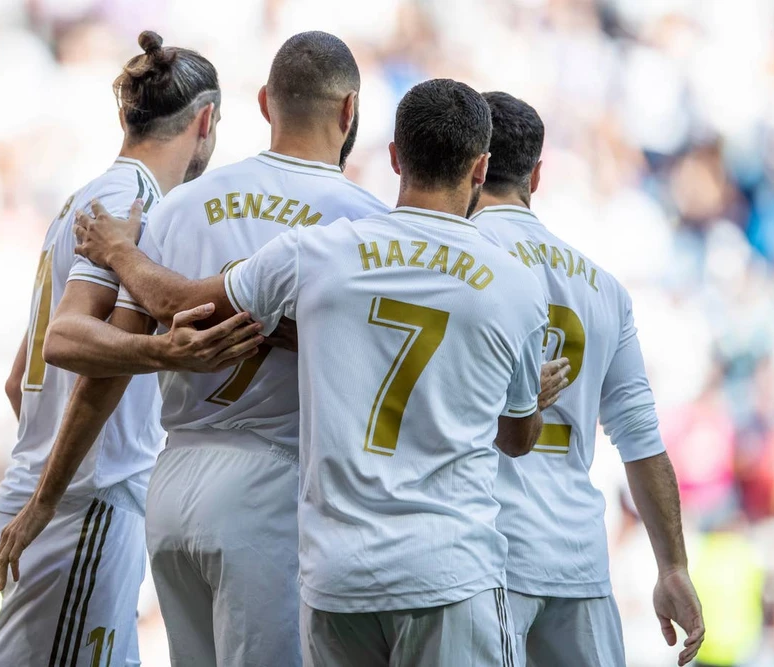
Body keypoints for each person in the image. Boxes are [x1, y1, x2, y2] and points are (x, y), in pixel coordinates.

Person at [78, 78, 559, 667]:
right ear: (481, 167)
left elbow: (176, 301)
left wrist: (119, 252)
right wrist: (529, 399)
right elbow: (516, 439)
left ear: (395, 157)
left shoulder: (317, 251)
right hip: (450, 572)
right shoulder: (515, 285)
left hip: (337, 576)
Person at [5, 31, 385, 667]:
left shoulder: (177, 207)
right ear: (349, 111)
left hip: (173, 486)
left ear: (265, 103)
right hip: (274, 485)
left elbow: (107, 361)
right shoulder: (366, 222)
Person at [0, 32, 263, 667]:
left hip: (58, 494)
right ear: (206, 120)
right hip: (82, 502)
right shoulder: (133, 205)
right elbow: (68, 341)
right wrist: (169, 355)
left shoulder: (85, 199)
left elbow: (17, 380)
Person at [471, 91, 705, 667]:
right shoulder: (604, 288)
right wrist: (672, 565)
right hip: (579, 562)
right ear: (536, 174)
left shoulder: (457, 262)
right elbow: (641, 438)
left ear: (470, 163)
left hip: (485, 557)